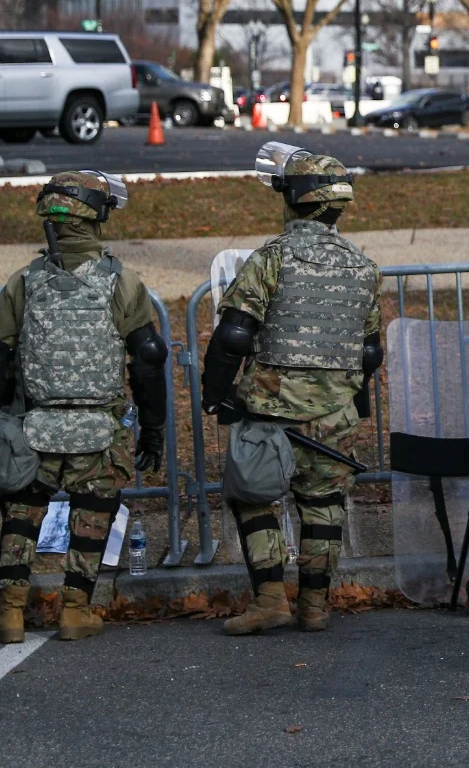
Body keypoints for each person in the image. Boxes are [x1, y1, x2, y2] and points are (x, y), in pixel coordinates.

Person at [0, 170, 167, 643]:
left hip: (35, 423)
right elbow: (147, 358)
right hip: (98, 428)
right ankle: (75, 610)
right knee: (93, 512)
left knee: (21, 512)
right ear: (99, 215)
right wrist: (154, 427)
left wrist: (2, 418)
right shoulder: (122, 281)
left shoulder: (24, 282)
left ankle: (11, 612)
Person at [202, 147, 382, 635]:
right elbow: (368, 352)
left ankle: (269, 601)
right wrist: (355, 403)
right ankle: (316, 607)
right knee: (323, 507)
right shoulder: (362, 267)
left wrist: (213, 393)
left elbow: (234, 334)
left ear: (294, 198)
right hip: (334, 415)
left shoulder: (272, 259)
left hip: (270, 412)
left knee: (253, 497)